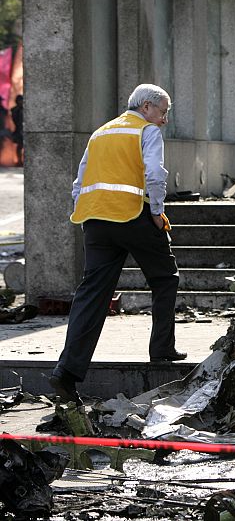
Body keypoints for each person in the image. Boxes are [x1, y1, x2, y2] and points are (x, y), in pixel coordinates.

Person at [49, 84, 185, 404]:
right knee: (165, 276)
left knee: (92, 295)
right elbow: (155, 174)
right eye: (163, 112)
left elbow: (79, 182)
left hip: (95, 221)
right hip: (133, 215)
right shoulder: (146, 131)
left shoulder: (101, 133)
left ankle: (66, 373)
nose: (164, 119)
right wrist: (156, 212)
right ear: (147, 107)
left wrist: (85, 213)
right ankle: (162, 348)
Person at [10, 94, 23, 165]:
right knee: (19, 146)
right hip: (19, 129)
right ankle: (19, 161)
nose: (20, 102)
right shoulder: (15, 110)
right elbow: (15, 120)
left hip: (22, 129)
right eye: (19, 100)